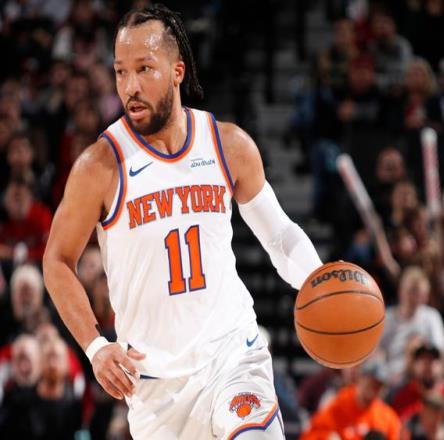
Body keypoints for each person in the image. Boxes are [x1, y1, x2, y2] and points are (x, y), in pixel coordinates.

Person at [43, 4, 323, 439]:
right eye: (120, 72)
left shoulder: (229, 145)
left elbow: (280, 236)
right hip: (156, 389)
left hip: (233, 357)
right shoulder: (99, 166)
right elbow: (57, 260)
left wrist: (319, 282)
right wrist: (96, 346)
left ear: (177, 71)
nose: (131, 86)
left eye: (144, 69)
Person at [299, 361, 402, 440]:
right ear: (361, 379)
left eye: (379, 386)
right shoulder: (339, 403)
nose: (374, 389)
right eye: (371, 383)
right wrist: (327, 436)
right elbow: (310, 435)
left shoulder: (387, 418)